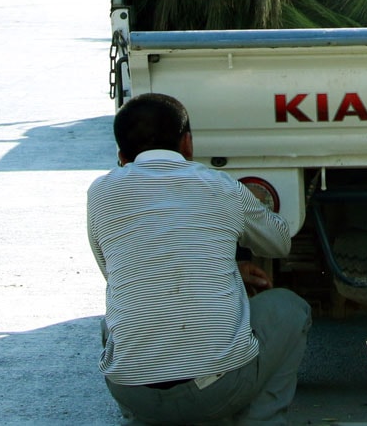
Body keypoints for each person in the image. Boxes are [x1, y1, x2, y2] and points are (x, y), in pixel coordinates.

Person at [87, 93, 312, 426]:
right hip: (217, 391)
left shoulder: (99, 193)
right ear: (188, 144)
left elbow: (121, 273)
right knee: (291, 309)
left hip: (132, 390)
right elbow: (279, 242)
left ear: (122, 155)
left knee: (116, 322)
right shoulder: (220, 187)